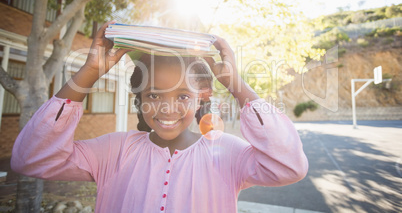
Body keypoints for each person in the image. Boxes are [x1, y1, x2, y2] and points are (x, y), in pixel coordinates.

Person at [11, 21, 308, 213]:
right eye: (153, 95)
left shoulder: (227, 154)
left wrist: (236, 84)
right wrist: (89, 71)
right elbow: (31, 158)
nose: (167, 109)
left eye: (182, 96)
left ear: (201, 96)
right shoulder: (113, 151)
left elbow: (290, 166)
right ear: (138, 99)